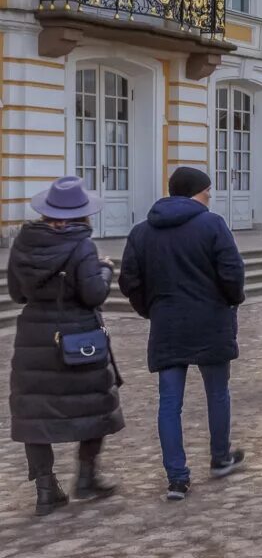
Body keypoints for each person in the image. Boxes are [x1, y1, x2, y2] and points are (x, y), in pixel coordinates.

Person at [120, 167, 246, 501]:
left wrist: (150, 308)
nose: (210, 197)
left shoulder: (142, 231)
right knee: (217, 393)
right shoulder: (212, 224)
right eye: (207, 191)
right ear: (196, 192)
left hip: (167, 321)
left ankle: (177, 477)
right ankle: (220, 457)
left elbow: (129, 280)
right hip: (210, 319)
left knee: (169, 403)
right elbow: (232, 271)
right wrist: (230, 300)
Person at [7, 176, 124, 516]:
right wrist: (105, 270)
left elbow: (17, 293)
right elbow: (93, 294)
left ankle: (46, 490)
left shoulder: (23, 242)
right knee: (95, 405)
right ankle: (87, 478)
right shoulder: (82, 245)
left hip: (34, 337)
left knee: (34, 413)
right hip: (78, 337)